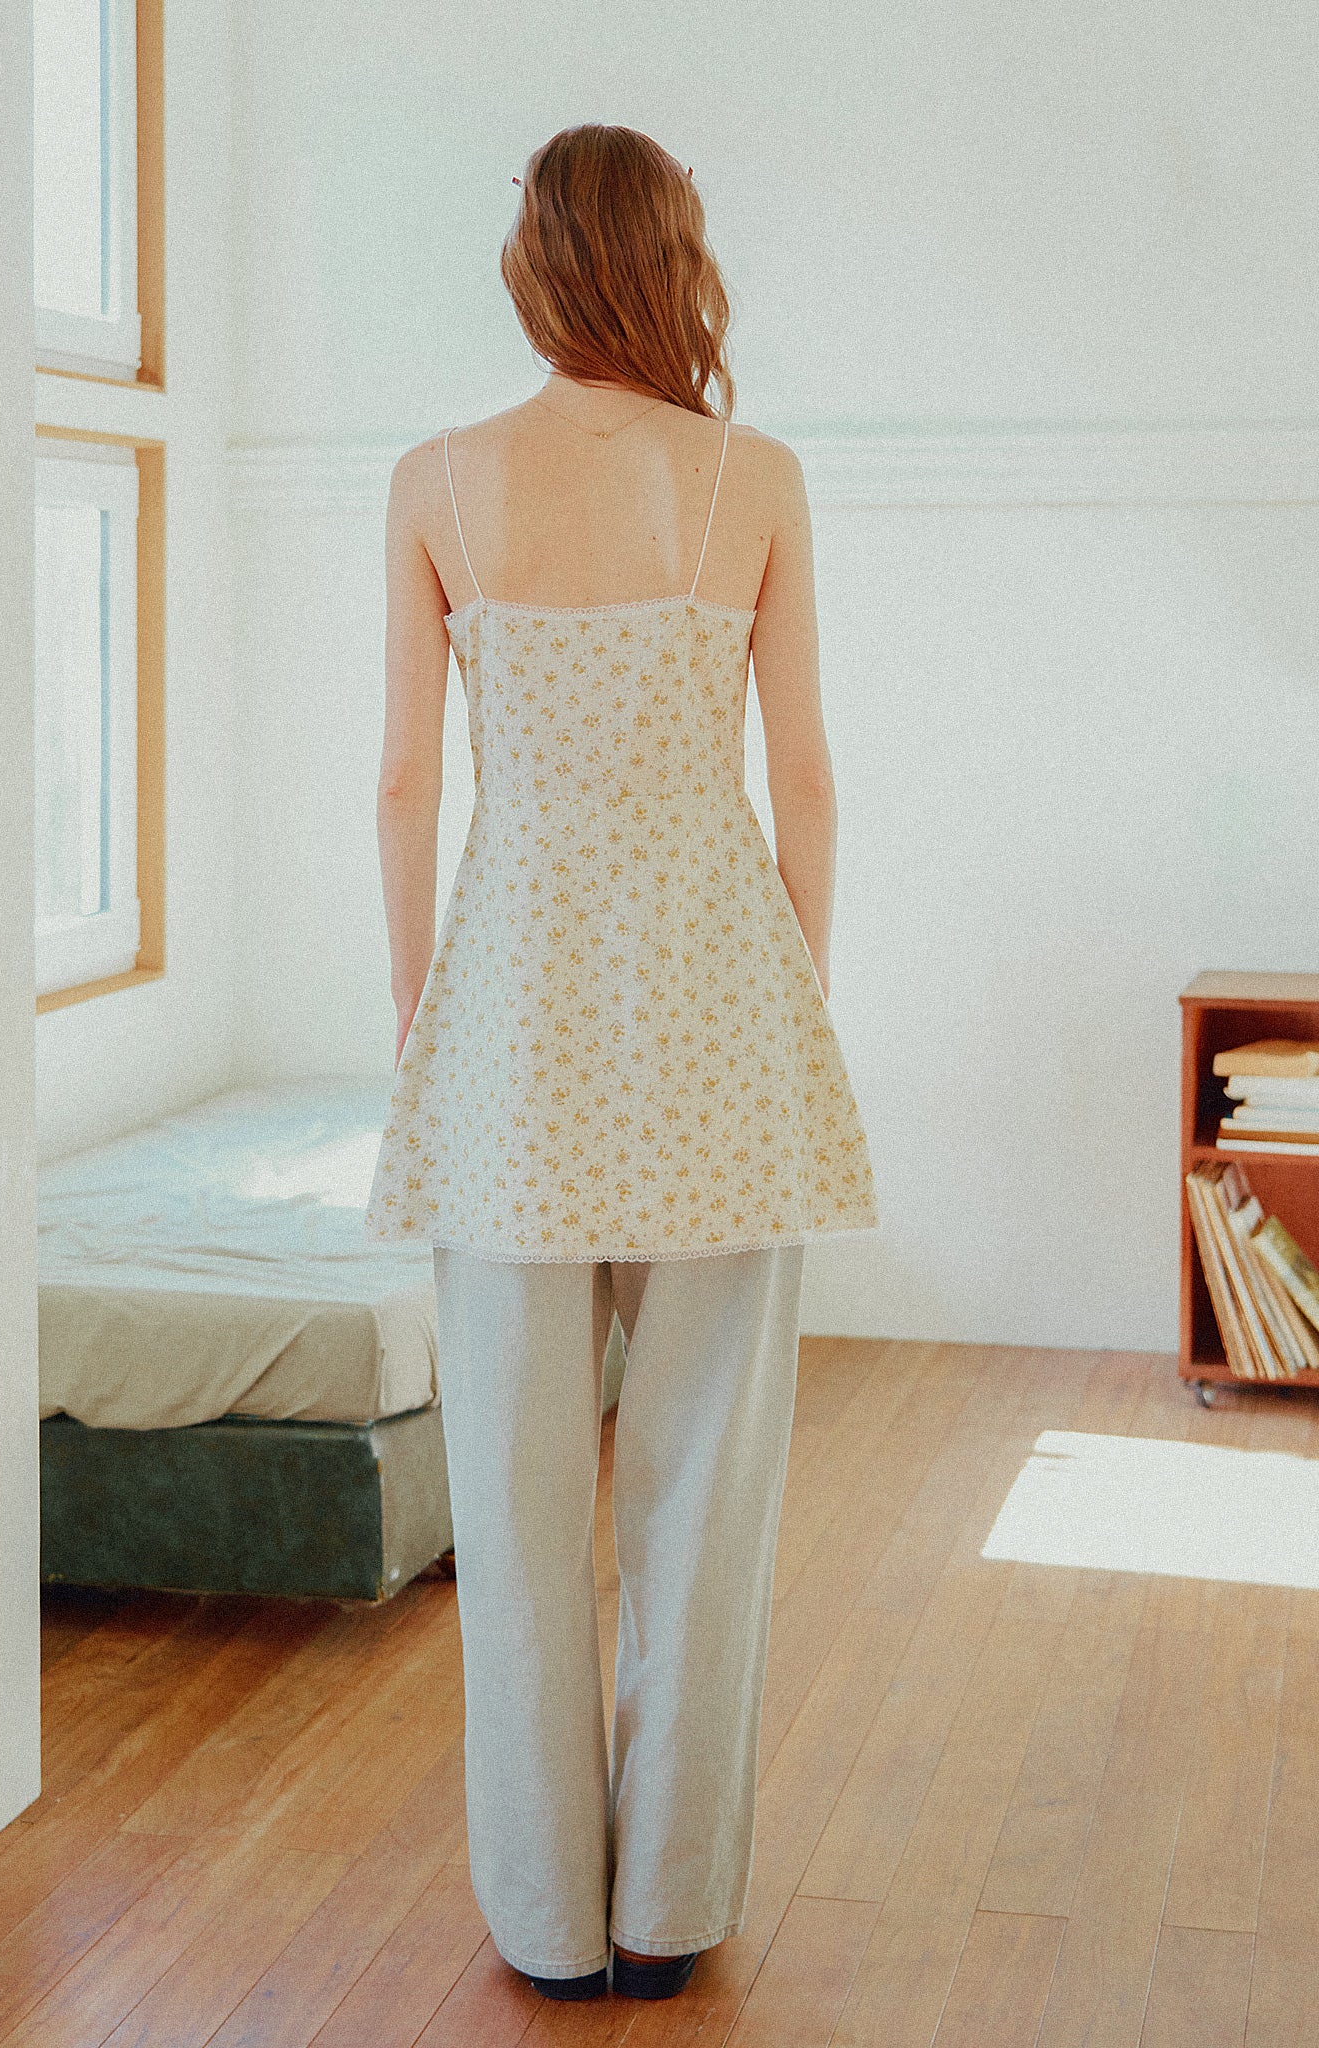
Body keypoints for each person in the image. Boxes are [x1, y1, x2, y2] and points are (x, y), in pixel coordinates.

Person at [363, 123, 877, 2003]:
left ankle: (547, 1924)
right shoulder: (757, 476)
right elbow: (803, 778)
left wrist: (419, 1020)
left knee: (510, 1512)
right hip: (721, 1012)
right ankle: (667, 1917)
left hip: (513, 1021)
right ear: (675, 260)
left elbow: (404, 785)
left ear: (534, 267)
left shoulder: (436, 479)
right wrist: (795, 1006)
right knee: (703, 1492)